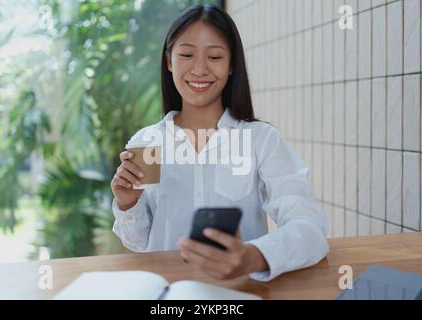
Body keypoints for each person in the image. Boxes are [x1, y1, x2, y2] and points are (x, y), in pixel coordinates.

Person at [110, 4, 329, 282]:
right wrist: (128, 204)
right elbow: (138, 243)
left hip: (239, 294)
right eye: (187, 54)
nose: (199, 69)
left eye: (214, 56)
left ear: (232, 64)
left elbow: (310, 229)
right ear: (169, 61)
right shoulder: (147, 142)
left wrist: (253, 256)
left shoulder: (261, 140)